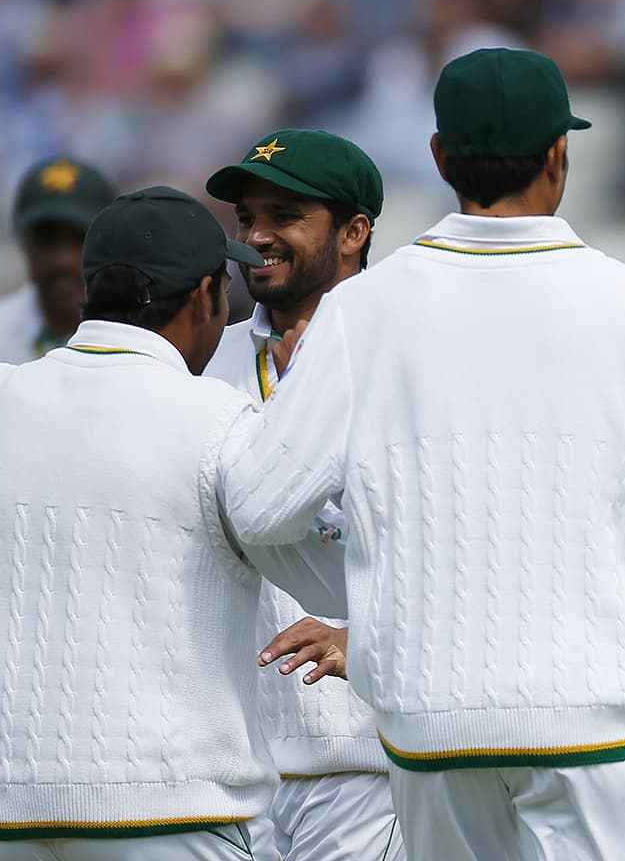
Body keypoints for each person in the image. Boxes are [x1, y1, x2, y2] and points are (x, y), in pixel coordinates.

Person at [216, 46, 625, 861]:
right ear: (559, 157)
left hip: (431, 721)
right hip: (589, 718)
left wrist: (378, 607)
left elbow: (255, 506)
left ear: (439, 156)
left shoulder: (360, 315)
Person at [0, 186, 347, 861]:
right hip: (170, 813)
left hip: (6, 816)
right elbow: (334, 581)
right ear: (205, 297)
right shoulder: (221, 421)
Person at [202, 129, 404, 860]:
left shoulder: (407, 356)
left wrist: (373, 640)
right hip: (231, 771)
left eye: (284, 216)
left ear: (354, 232)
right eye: (246, 218)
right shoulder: (209, 357)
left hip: (369, 762)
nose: (256, 238)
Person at [0, 156, 116, 438]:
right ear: (24, 245)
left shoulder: (142, 332)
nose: (63, 260)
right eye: (47, 241)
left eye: (80, 239)